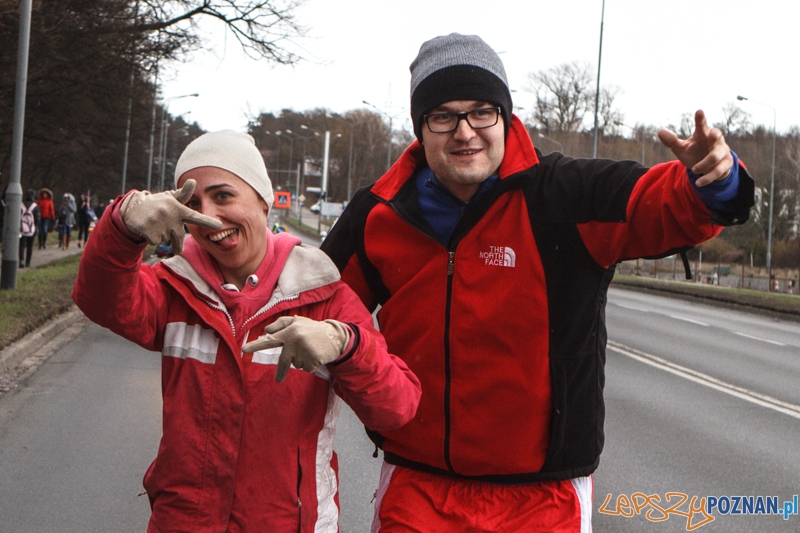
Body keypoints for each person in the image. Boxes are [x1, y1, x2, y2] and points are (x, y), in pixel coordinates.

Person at [320, 33, 755, 532]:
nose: (465, 132)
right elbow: (314, 303)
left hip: (542, 498)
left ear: (505, 116)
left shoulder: (563, 196)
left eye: (482, 111)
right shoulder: (379, 213)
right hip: (418, 490)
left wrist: (715, 180)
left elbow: (657, 202)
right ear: (421, 127)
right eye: (443, 115)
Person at [72, 130, 421, 532]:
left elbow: (395, 409)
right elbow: (99, 298)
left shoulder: (325, 298)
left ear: (263, 199)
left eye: (223, 196)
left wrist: (347, 346)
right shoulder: (173, 289)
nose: (209, 217)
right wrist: (121, 227)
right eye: (193, 203)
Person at [18, 189, 40, 268]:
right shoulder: (35, 206)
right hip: (31, 228)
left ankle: (21, 261)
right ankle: (28, 262)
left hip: (22, 228)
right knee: (30, 246)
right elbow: (37, 219)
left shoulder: (21, 204)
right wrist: (37, 227)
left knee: (21, 245)